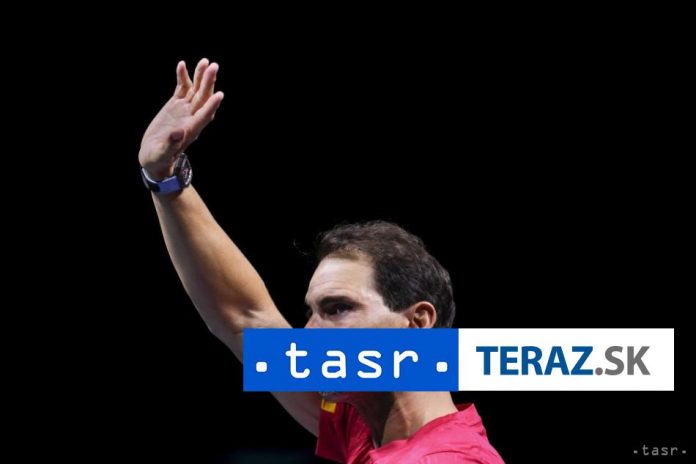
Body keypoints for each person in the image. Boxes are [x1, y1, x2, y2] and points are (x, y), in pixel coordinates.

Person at [139, 58, 505, 464]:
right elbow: (245, 318)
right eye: (311, 313)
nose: (309, 333)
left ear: (417, 322)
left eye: (338, 308)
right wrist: (164, 177)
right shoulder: (367, 423)